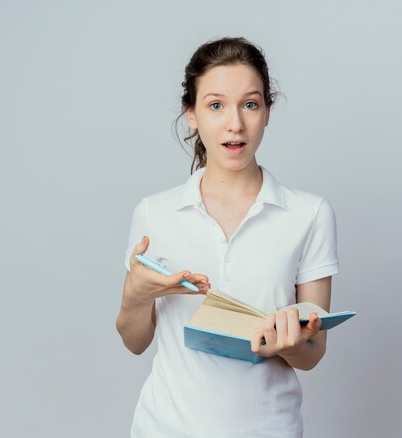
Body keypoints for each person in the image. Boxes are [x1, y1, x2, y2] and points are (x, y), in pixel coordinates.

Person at [116, 36, 339, 437]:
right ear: (192, 115)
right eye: (215, 105)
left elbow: (312, 354)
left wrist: (286, 343)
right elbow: (134, 341)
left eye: (250, 104)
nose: (235, 123)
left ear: (267, 112)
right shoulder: (154, 213)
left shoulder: (310, 214)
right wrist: (137, 295)